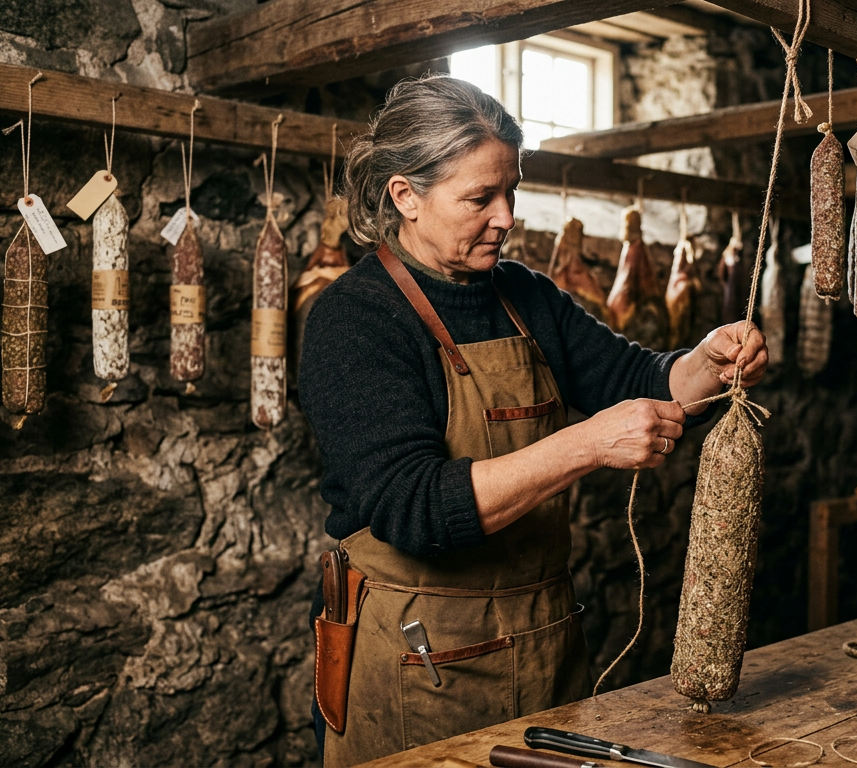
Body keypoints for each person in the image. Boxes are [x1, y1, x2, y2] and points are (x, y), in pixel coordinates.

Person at [297, 75, 769, 767]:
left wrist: (708, 361)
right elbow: (415, 508)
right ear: (405, 195)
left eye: (511, 190)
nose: (507, 216)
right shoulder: (354, 318)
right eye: (479, 197)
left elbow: (639, 380)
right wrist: (585, 445)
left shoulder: (524, 295)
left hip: (544, 642)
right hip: (415, 661)